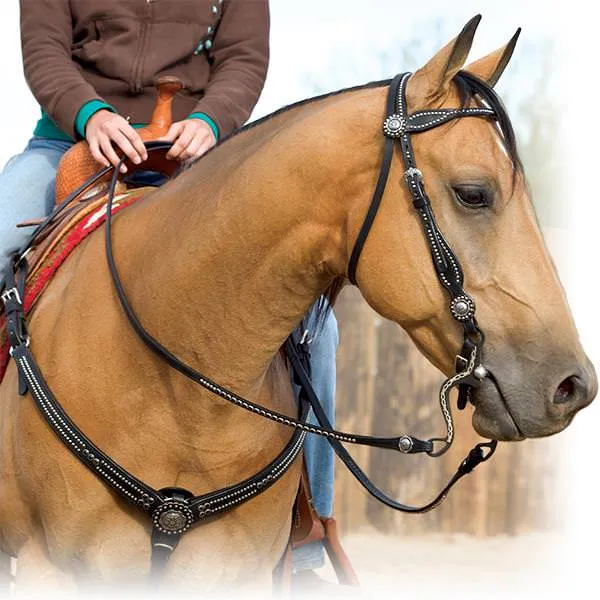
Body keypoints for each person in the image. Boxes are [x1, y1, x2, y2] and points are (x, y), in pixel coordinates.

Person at [1, 0, 336, 576]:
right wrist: (91, 115)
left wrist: (210, 122)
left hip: (198, 147)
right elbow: (44, 52)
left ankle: (309, 532)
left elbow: (243, 58)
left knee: (316, 324)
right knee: (2, 240)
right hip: (69, 142)